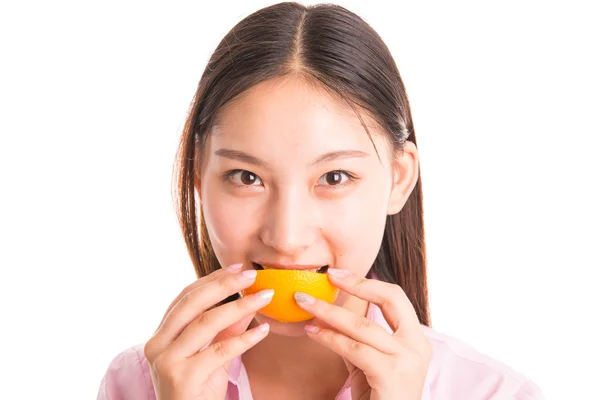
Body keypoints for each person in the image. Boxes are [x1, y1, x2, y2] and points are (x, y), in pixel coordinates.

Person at [97, 2, 543, 399]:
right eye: (246, 177)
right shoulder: (137, 385)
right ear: (198, 177)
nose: (287, 238)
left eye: (334, 177)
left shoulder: (494, 393)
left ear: (398, 179)